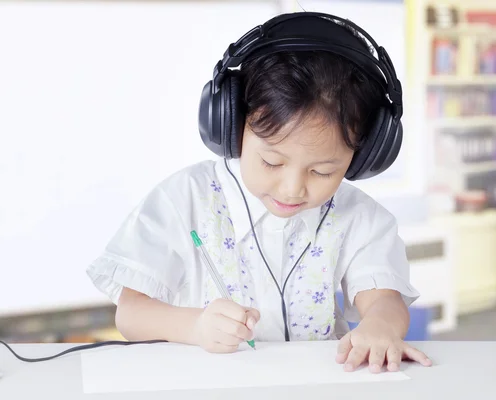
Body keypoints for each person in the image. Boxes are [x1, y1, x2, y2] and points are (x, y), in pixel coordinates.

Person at [86, 12, 432, 374]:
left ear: (363, 156)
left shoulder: (357, 215)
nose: (293, 187)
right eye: (271, 161)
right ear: (232, 126)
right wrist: (195, 326)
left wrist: (381, 326)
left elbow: (384, 300)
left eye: (322, 171)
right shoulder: (183, 199)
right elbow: (130, 313)